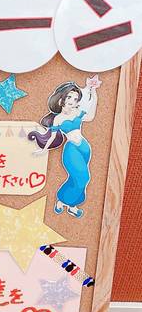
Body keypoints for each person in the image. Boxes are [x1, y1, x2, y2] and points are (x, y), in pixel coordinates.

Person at [28, 77, 99, 218]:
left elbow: (90, 117)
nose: (72, 101)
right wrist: (43, 149)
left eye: (75, 98)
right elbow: (52, 137)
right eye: (69, 97)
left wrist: (94, 92)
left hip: (84, 148)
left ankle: (71, 206)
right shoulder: (58, 119)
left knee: (75, 178)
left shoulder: (77, 112)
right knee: (83, 178)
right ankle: (62, 199)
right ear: (62, 99)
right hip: (71, 151)